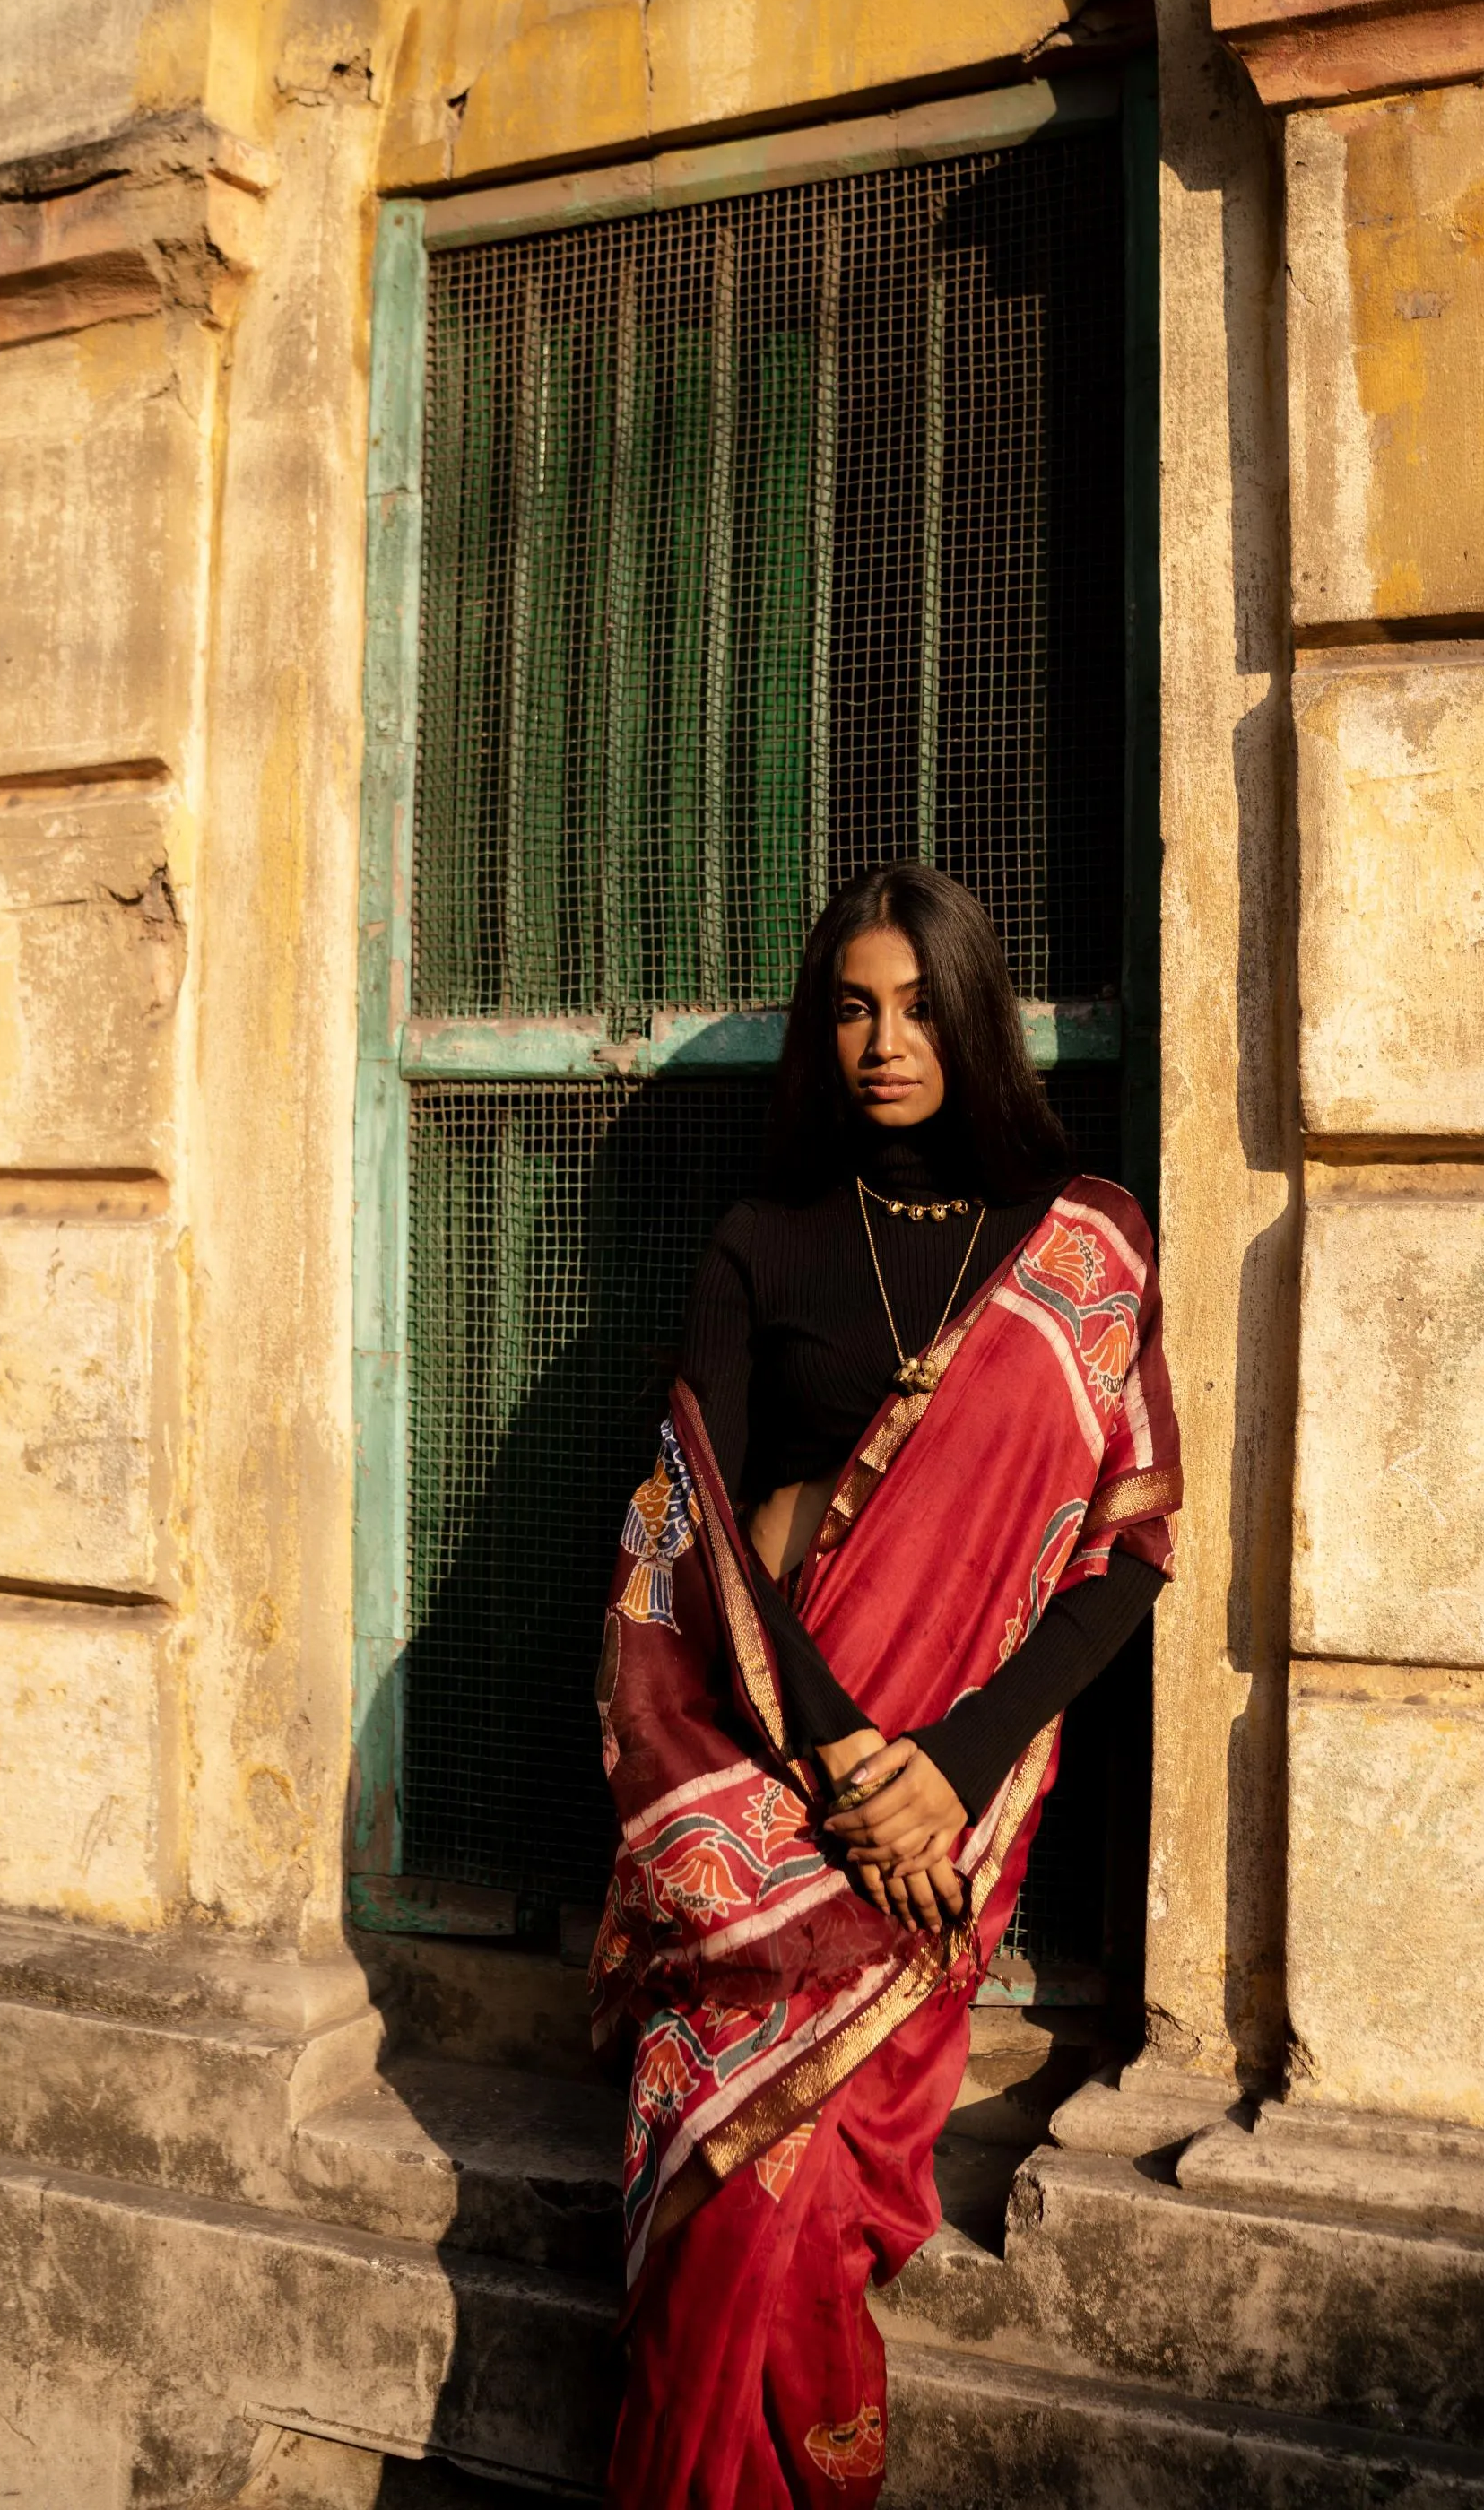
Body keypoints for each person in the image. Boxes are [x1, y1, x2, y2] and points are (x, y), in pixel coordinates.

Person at [591, 863, 1181, 2508]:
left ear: (973, 1015)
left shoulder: (1081, 1247)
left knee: (803, 2197)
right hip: (764, 1800)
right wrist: (853, 1754)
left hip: (949, 1820)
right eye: (851, 1006)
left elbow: (1125, 1552)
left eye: (920, 1004)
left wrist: (954, 1762)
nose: (884, 1039)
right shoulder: (761, 1244)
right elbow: (694, 1539)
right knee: (734, 2211)